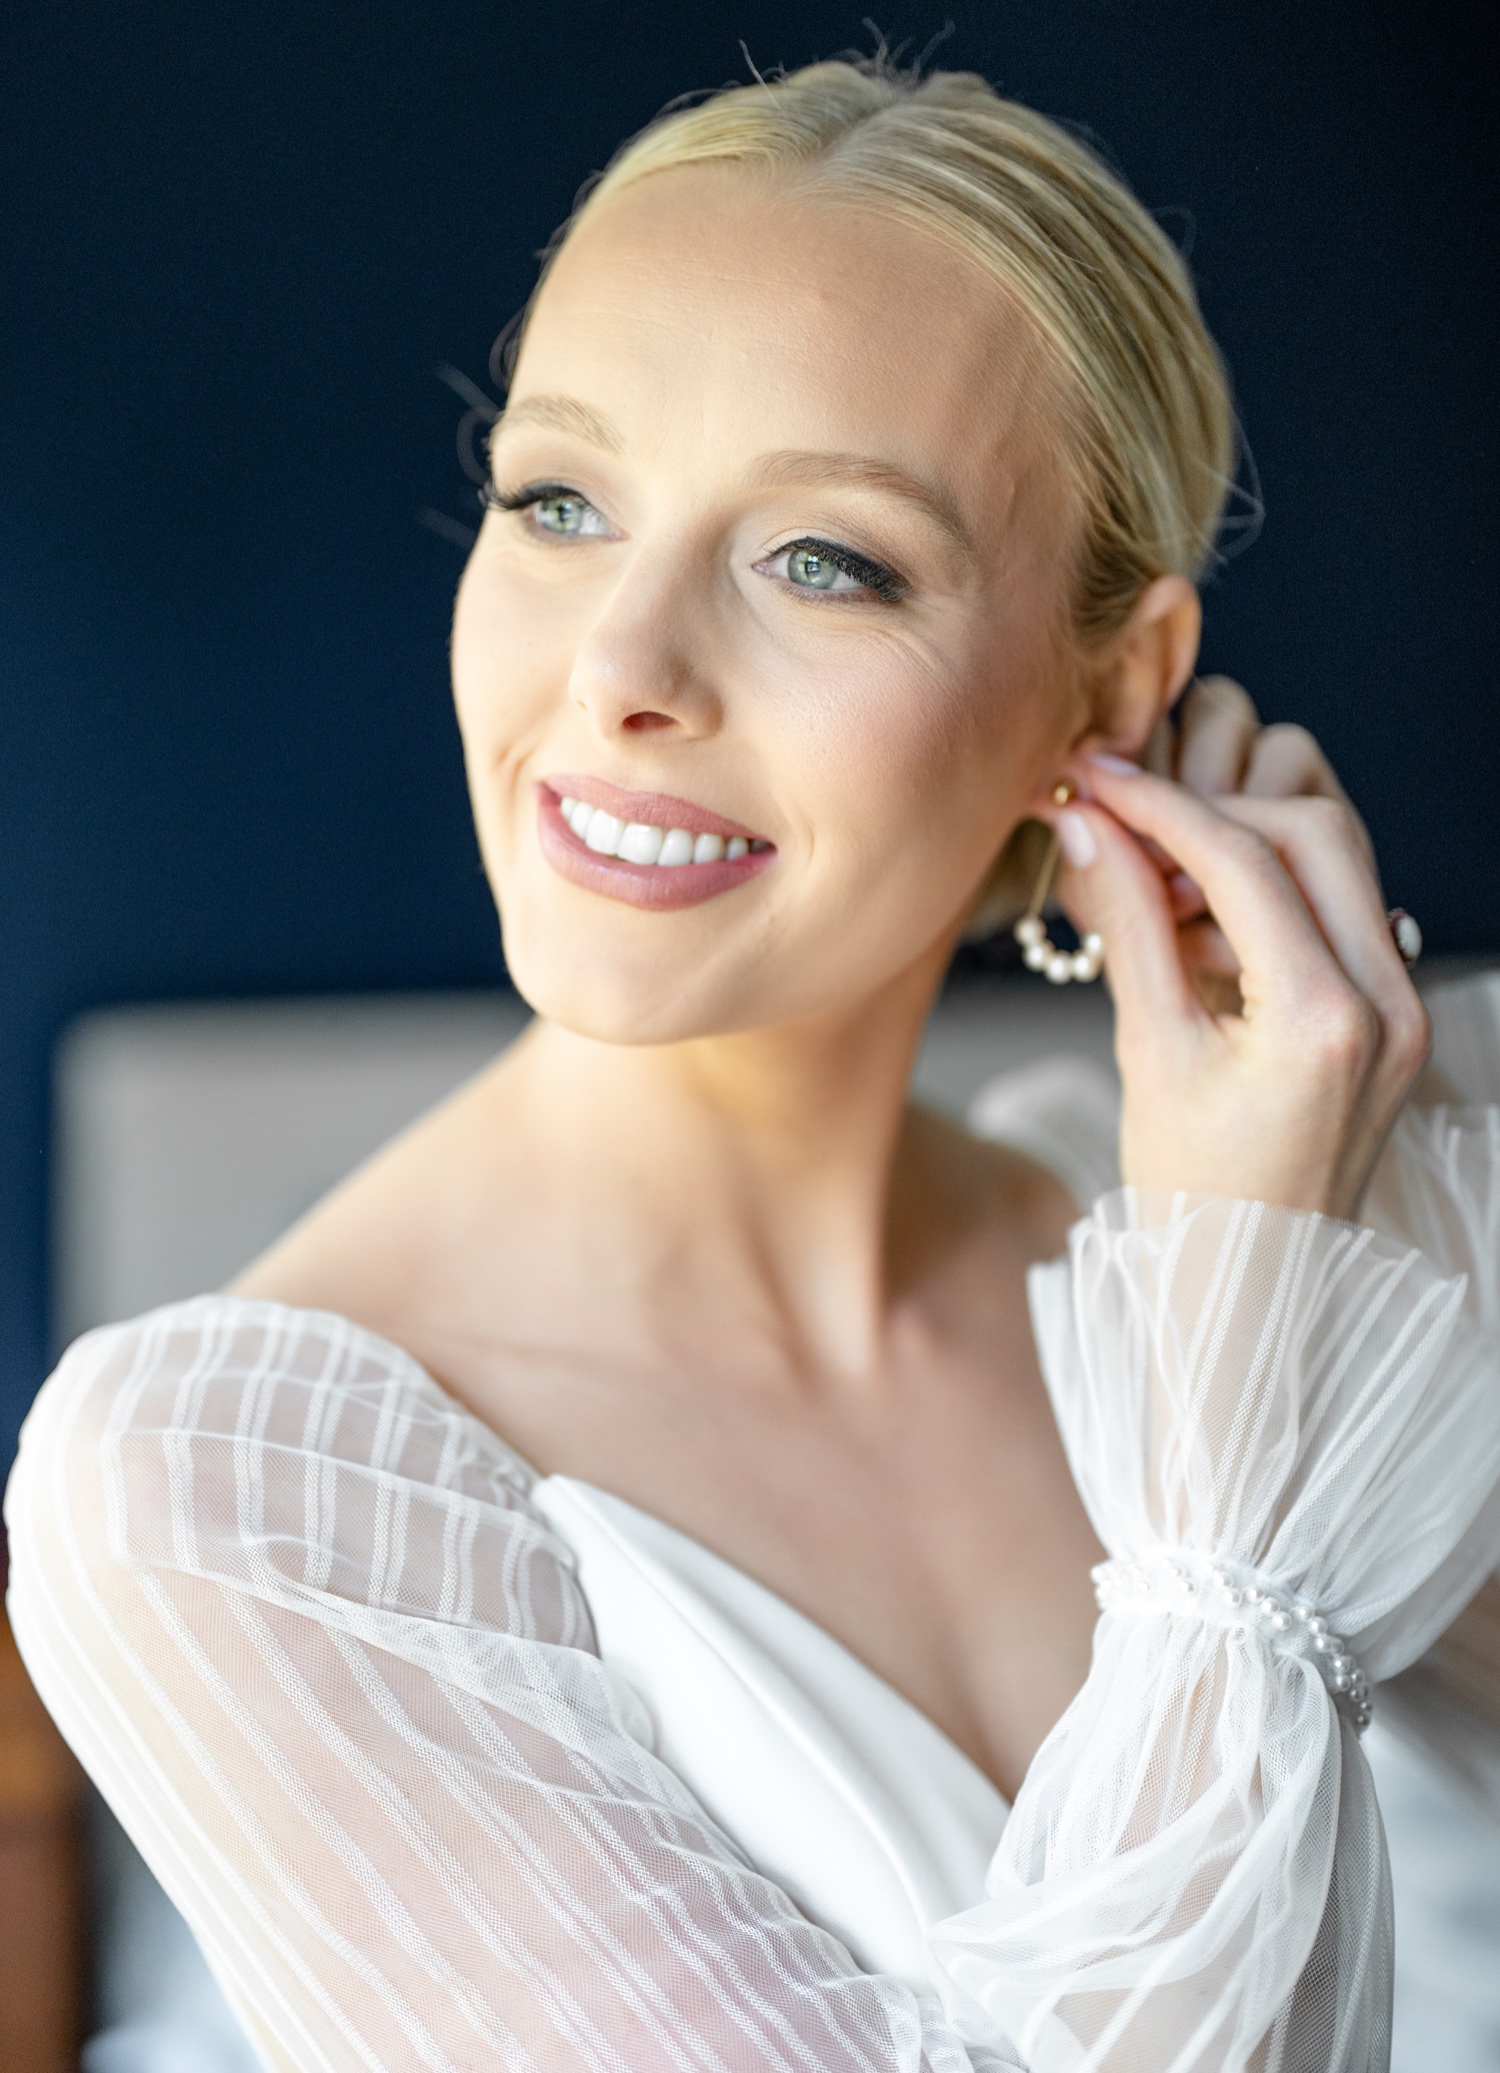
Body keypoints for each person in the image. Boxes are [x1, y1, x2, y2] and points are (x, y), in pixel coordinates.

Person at [7, 57, 1499, 2073]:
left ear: (1116, 686)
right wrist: (1245, 1413)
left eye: (825, 558)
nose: (617, 665)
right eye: (557, 498)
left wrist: (1352, 1197)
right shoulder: (224, 1485)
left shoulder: (1165, 1222)